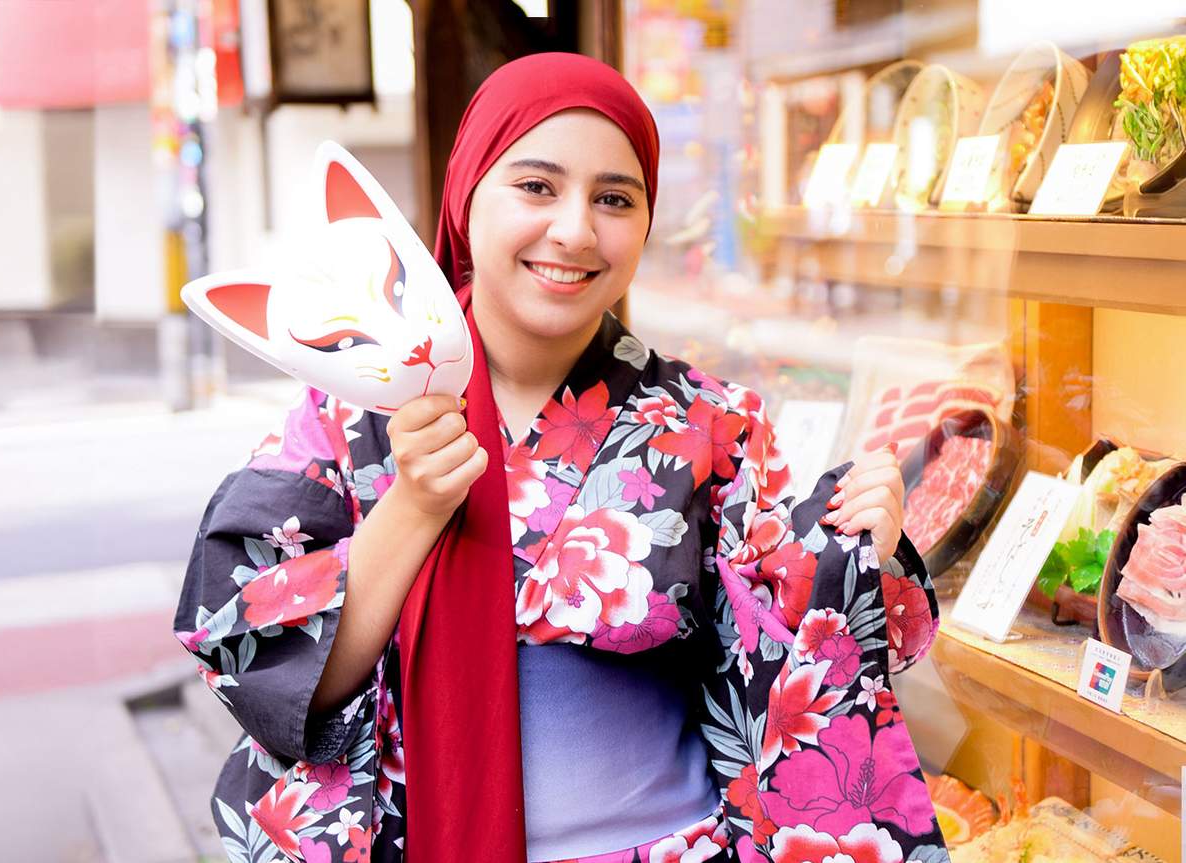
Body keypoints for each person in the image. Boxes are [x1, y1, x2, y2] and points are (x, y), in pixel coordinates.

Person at [173, 52, 944, 863]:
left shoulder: (710, 422)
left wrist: (862, 544)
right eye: (536, 187)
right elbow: (273, 673)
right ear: (466, 195)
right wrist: (412, 508)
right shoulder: (347, 411)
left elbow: (808, 646)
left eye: (614, 198)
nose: (574, 229)